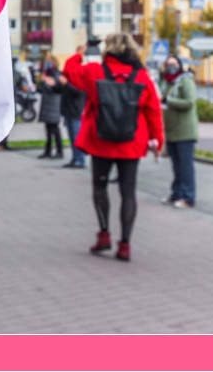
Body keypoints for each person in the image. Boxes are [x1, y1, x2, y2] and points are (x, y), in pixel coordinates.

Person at [63, 33, 164, 262]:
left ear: (107, 49)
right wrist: (157, 140)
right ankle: (125, 245)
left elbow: (69, 72)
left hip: (102, 141)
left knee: (99, 187)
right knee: (128, 192)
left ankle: (104, 234)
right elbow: (153, 111)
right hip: (131, 143)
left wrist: (79, 52)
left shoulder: (95, 72)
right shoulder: (143, 77)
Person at [160, 56, 198, 208]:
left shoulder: (185, 81)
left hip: (184, 131)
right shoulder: (166, 82)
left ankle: (188, 197)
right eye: (168, 64)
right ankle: (176, 193)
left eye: (174, 64)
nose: (171, 67)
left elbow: (189, 102)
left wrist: (168, 100)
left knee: (185, 166)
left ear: (180, 65)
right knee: (176, 165)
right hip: (172, 131)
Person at [55, 70, 87, 168]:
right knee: (72, 138)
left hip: (76, 112)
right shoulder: (69, 80)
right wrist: (55, 85)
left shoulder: (80, 81)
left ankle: (80, 160)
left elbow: (78, 92)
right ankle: (75, 158)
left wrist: (66, 84)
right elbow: (61, 91)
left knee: (76, 137)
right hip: (69, 111)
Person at [37, 56, 63, 159]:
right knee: (48, 129)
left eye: (48, 62)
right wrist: (40, 82)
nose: (47, 64)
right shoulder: (47, 74)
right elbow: (41, 89)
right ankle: (48, 151)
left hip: (54, 105)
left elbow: (56, 88)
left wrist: (47, 82)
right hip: (47, 104)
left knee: (55, 129)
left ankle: (59, 151)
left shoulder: (57, 74)